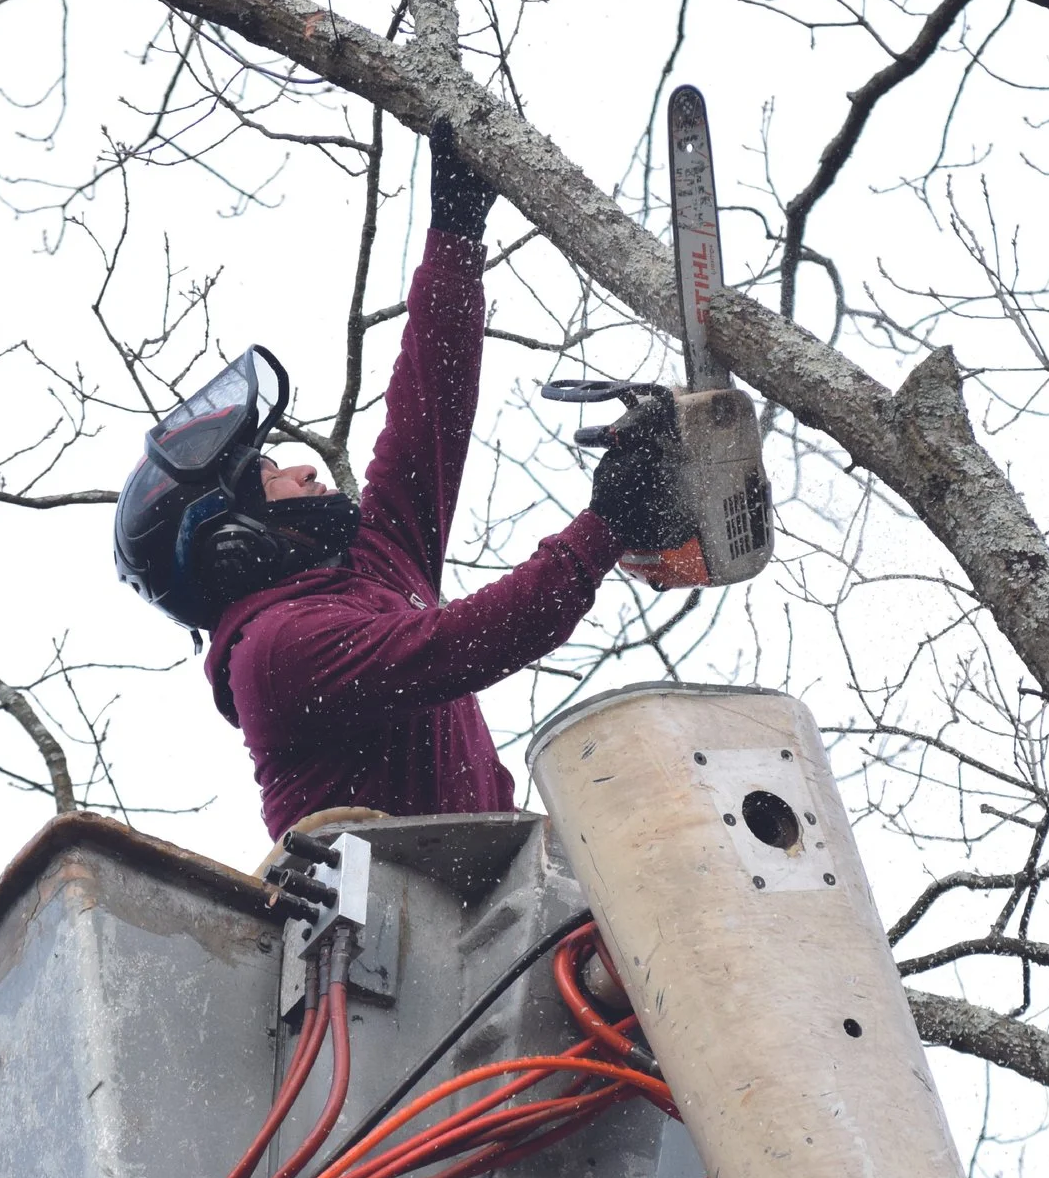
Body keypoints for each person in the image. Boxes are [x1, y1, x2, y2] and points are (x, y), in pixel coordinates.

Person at [112, 123, 677, 838]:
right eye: (269, 471)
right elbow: (459, 644)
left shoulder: (372, 569)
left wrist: (456, 235)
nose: (304, 467)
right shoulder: (273, 653)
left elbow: (428, 410)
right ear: (229, 536)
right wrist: (603, 529)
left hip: (487, 910)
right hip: (390, 939)